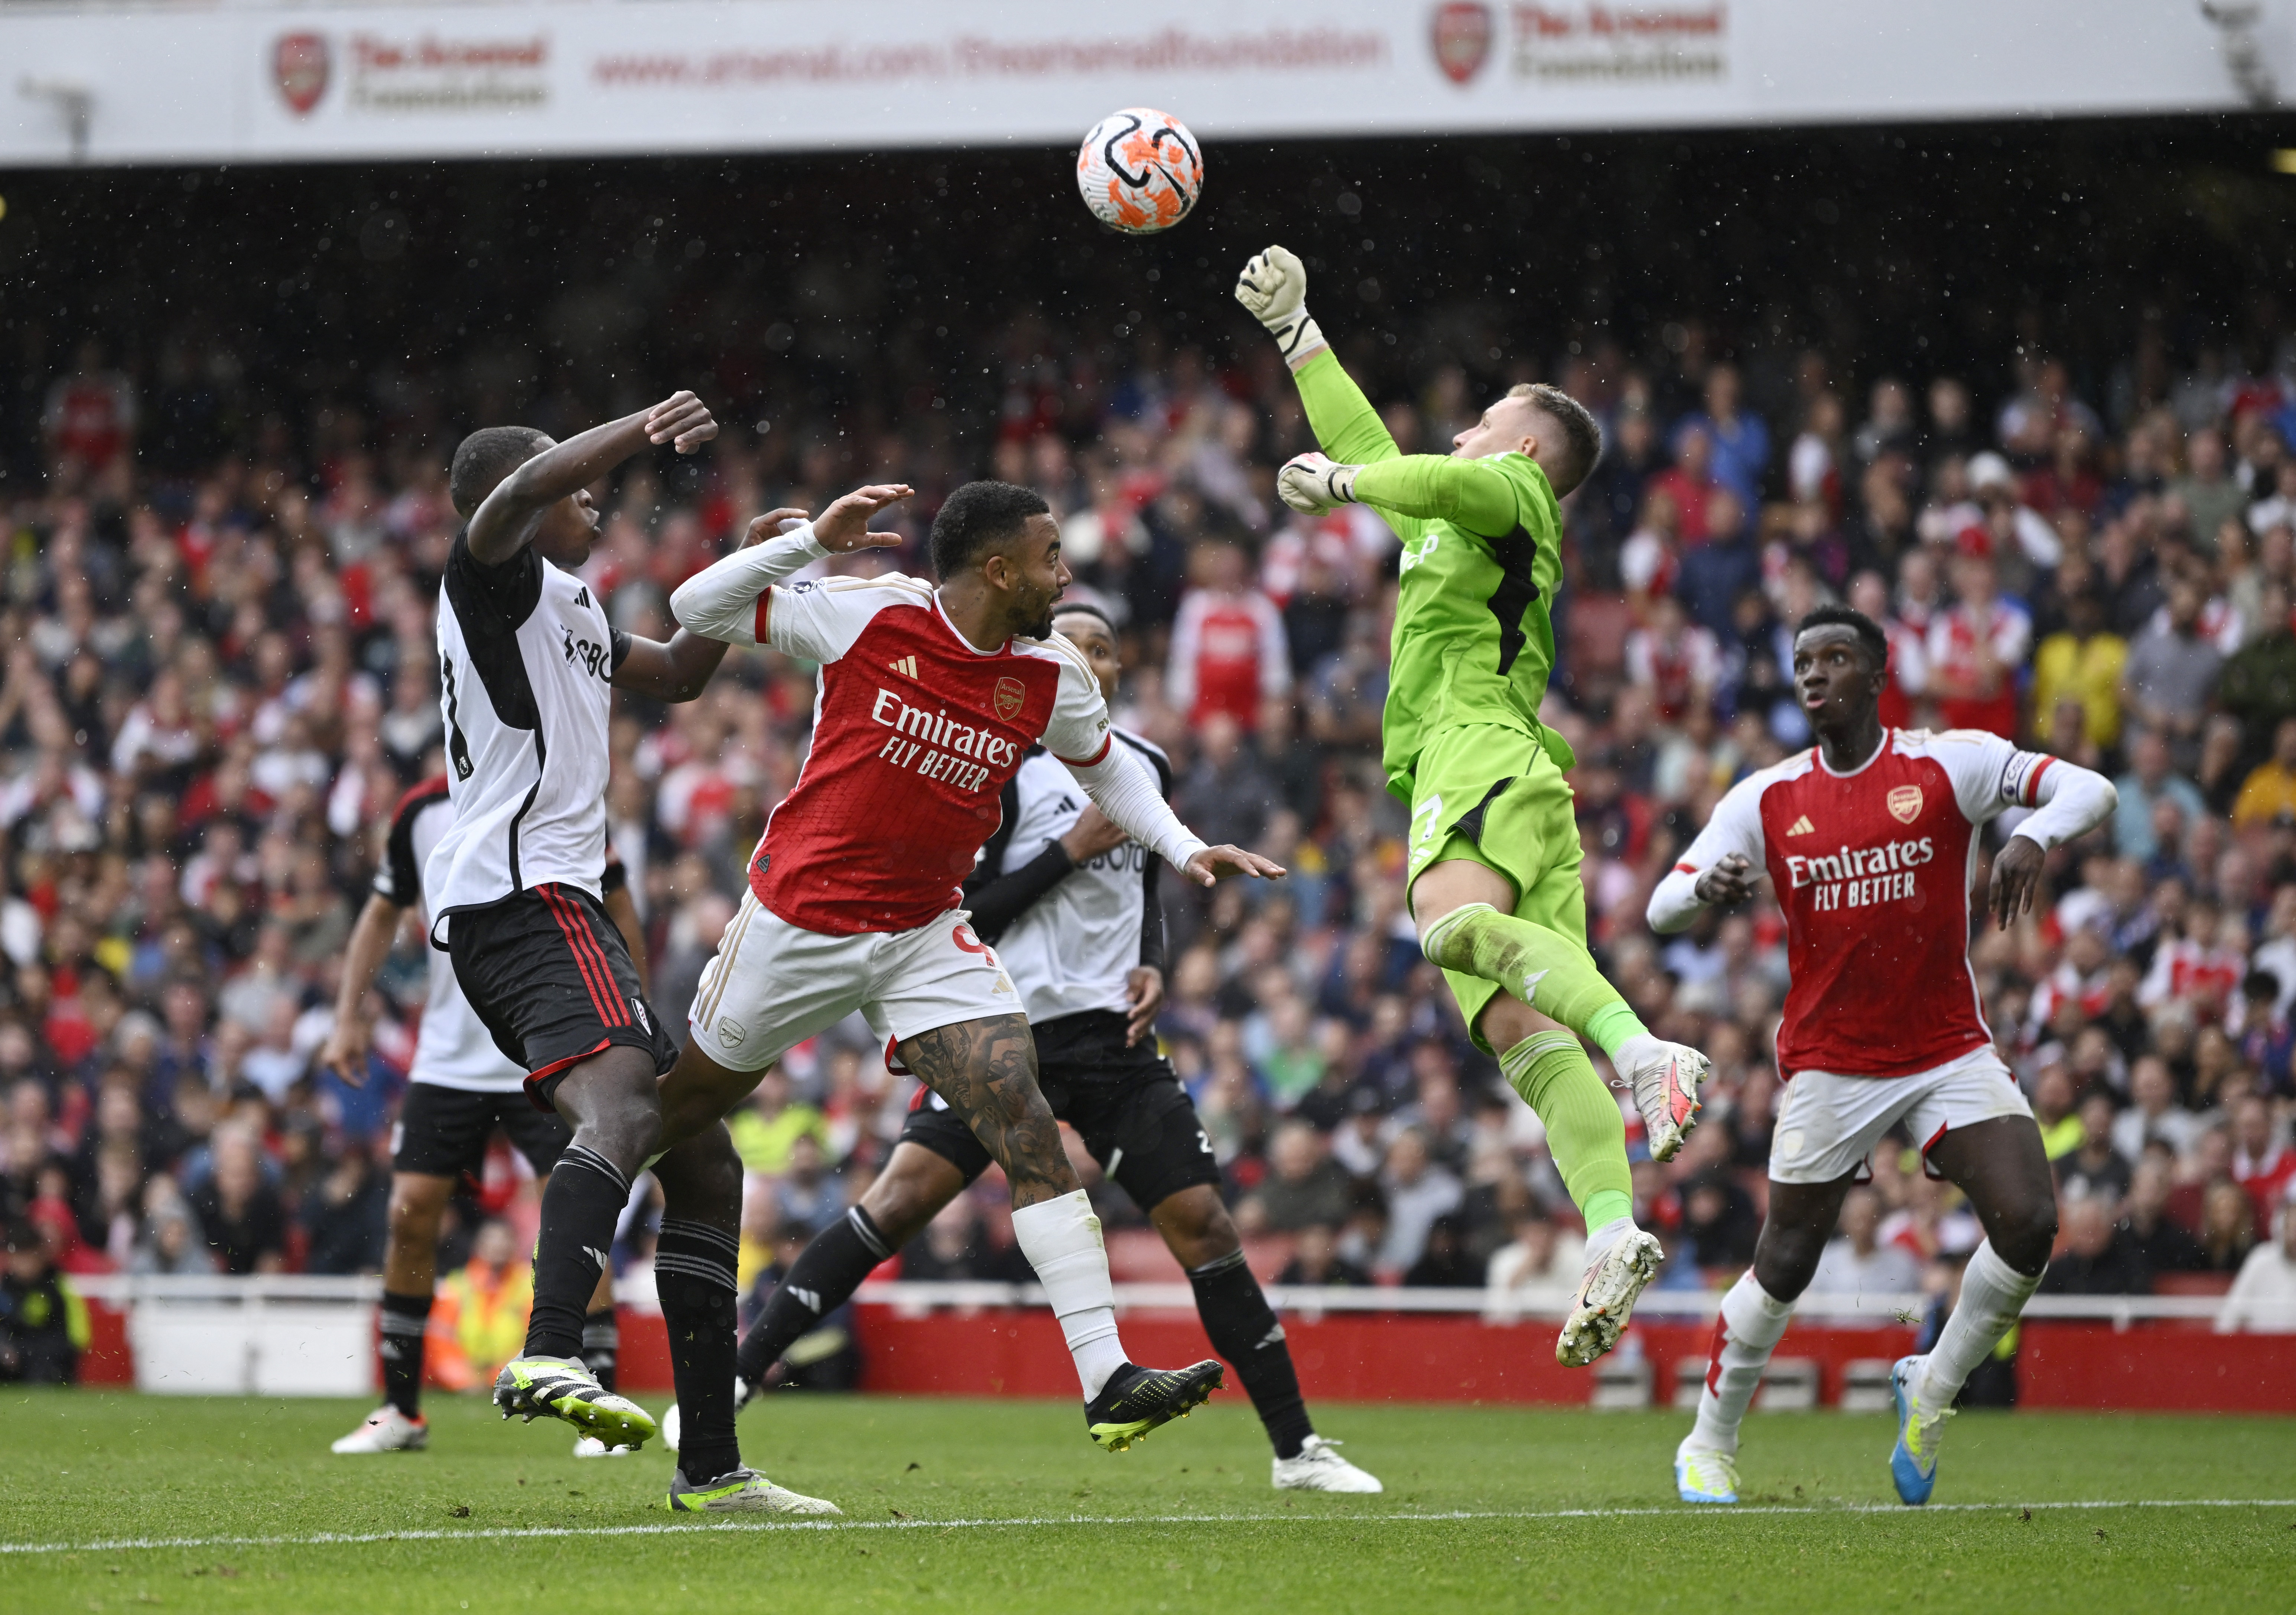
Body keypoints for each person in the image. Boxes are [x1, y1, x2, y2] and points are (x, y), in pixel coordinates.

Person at [639, 480, 1286, 1508]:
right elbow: (694, 611)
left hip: (923, 931)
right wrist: (808, 542)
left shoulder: (1048, 674)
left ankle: (1107, 1379)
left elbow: (1110, 770)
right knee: (673, 1114)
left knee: (1021, 1119)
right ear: (996, 568)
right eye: (1047, 555)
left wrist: (1183, 843)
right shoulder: (872, 611)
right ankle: (563, 1326)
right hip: (801, 919)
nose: (1062, 573)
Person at [1233, 244, 1710, 1369]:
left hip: (1479, 749)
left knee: (1445, 927)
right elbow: (1379, 453)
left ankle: (1645, 1052)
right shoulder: (1460, 522)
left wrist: (1347, 487)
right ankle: (1610, 1229)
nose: (1458, 436)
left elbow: (1413, 475)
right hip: (1513, 778)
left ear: (1527, 445)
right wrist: (1300, 336)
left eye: (1481, 420)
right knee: (1521, 1039)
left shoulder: (1516, 493)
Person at [426, 395, 834, 1514]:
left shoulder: (570, 598)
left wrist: (746, 573)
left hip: (557, 905)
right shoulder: (491, 572)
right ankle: (552, 1345)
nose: (594, 498)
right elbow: (515, 491)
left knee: (704, 1162)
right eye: (575, 487)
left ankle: (709, 1467)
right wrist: (638, 427)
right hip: (522, 897)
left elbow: (677, 675)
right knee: (627, 1112)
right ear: (524, 500)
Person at [1650, 603, 2115, 1506]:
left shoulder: (1950, 762)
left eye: (1833, 658)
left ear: (1877, 674)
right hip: (1833, 1061)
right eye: (1801, 663)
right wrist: (1705, 886)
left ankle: (1931, 1387)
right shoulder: (1766, 797)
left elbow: (2092, 789)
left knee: (2027, 1223)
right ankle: (1708, 1443)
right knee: (1785, 1260)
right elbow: (1661, 907)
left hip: (1946, 1047)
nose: (1813, 674)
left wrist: (2029, 835)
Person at [321, 777, 645, 1458]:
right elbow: (382, 913)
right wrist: (348, 1014)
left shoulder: (559, 790)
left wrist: (633, 1016)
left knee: (579, 1200)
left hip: (551, 1043)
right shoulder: (419, 810)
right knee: (410, 1213)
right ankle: (400, 1410)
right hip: (449, 1058)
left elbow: (618, 906)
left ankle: (600, 1395)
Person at [0, 1215, 88, 1383]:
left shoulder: (57, 1285)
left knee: (44, 1363)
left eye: (27, 1256)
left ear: (39, 1254)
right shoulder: (6, 1288)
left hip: (50, 1356)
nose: (23, 1264)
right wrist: (6, 1348)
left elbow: (75, 1335)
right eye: (18, 1256)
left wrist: (30, 1353)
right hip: (14, 1356)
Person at [2216, 1188, 2296, 1333]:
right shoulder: (2261, 1260)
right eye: (2291, 1228)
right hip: (2261, 1349)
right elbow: (2229, 1317)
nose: (2294, 1237)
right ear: (2281, 1227)